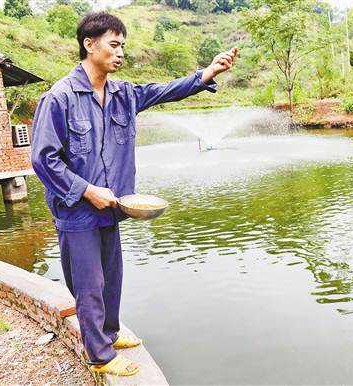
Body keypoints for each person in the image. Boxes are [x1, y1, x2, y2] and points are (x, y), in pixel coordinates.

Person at [31, 12, 237, 376]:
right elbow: (43, 159)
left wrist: (207, 73)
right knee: (89, 283)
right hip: (77, 211)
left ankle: (108, 334)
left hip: (112, 206)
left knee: (111, 275)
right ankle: (99, 356)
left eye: (123, 45)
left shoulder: (123, 93)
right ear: (89, 44)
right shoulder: (60, 97)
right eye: (114, 44)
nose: (120, 52)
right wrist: (86, 190)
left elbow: (163, 91)